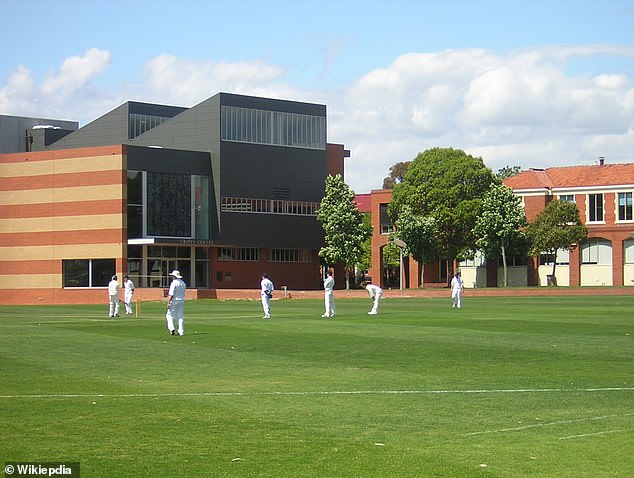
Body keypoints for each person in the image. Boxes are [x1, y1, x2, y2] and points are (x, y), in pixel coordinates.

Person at [166, 270, 186, 336]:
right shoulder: (183, 283)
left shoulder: (174, 283)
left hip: (174, 300)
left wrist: (168, 303)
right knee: (180, 316)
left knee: (169, 315)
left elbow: (171, 294)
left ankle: (171, 328)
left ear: (174, 276)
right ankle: (181, 331)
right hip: (181, 300)